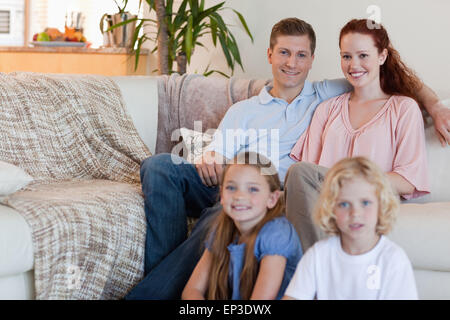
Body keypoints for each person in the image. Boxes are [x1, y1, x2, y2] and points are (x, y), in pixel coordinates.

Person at [126, 17, 449, 300]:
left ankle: (151, 293)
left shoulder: (328, 94)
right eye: (284, 53)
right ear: (270, 55)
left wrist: (434, 105)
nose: (292, 63)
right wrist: (211, 155)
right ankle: (162, 273)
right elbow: (232, 158)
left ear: (311, 61)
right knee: (159, 166)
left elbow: (395, 79)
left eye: (301, 55)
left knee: (224, 215)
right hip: (236, 178)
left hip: (280, 190)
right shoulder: (263, 109)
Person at [286, 18, 430, 252]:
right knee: (296, 176)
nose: (354, 65)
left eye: (363, 55)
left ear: (382, 56)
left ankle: (312, 272)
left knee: (299, 173)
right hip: (327, 201)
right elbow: (308, 175)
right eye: (346, 56)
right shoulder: (327, 109)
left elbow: (407, 181)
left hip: (369, 199)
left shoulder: (403, 108)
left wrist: (353, 182)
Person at [283, 157, 418, 300]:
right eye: (344, 204)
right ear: (331, 209)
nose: (355, 213)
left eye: (365, 203)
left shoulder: (393, 259)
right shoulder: (317, 256)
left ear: (382, 206)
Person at [182, 152, 301, 300]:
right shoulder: (222, 229)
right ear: (221, 195)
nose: (239, 196)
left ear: (272, 198)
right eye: (231, 188)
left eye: (253, 189)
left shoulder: (277, 233)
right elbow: (192, 290)